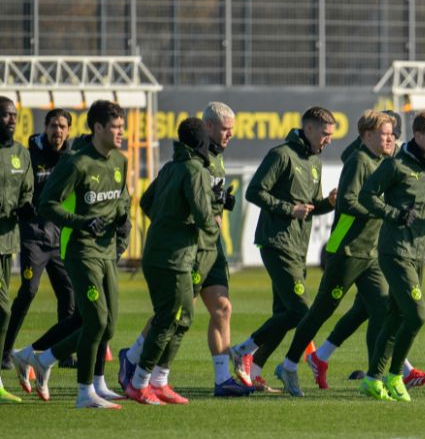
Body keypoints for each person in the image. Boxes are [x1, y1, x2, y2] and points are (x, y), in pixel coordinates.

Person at [118, 102, 248, 397]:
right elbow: (159, 203)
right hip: (191, 248)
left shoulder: (216, 159)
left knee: (222, 308)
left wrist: (221, 203)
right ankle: (135, 357)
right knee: (173, 312)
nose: (230, 135)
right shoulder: (190, 164)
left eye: (232, 130)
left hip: (211, 247)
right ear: (208, 127)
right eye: (225, 129)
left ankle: (222, 379)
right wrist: (176, 226)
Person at [276, 110, 396, 397]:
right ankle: (289, 365)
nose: (389, 138)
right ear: (367, 136)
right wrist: (383, 210)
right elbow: (348, 201)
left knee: (384, 310)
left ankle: (375, 378)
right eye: (384, 133)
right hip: (346, 251)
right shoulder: (359, 161)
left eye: (391, 133)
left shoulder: (383, 162)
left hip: (370, 253)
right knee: (320, 312)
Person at [30, 100, 129, 409]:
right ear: (97, 128)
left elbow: (121, 201)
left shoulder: (120, 161)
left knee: (109, 326)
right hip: (80, 250)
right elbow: (47, 204)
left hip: (107, 251)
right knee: (96, 321)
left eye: (122, 128)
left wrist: (122, 218)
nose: (120, 133)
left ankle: (47, 360)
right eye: (115, 127)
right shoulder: (76, 163)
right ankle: (84, 393)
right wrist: (83, 222)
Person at [229, 107, 337, 387]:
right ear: (309, 129)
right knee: (302, 310)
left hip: (298, 247)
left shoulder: (315, 162)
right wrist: (290, 209)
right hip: (276, 242)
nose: (329, 140)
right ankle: (243, 350)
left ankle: (252, 375)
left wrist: (329, 202)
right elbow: (254, 191)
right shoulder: (281, 155)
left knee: (284, 314)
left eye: (331, 135)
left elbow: (310, 208)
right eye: (325, 134)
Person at [358, 110, 425, 402]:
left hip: (418, 253)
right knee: (417, 315)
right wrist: (394, 213)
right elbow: (366, 196)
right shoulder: (395, 166)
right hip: (394, 251)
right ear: (417, 136)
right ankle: (395, 376)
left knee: (396, 315)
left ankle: (372, 380)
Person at [124, 117, 218, 405]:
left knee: (182, 317)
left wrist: (168, 222)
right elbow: (204, 217)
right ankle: (140, 383)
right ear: (202, 141)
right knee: (169, 319)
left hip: (159, 252)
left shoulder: (171, 167)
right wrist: (214, 220)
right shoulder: (195, 170)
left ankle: (159, 381)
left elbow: (146, 201)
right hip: (174, 257)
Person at [4, 109, 75, 371]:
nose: (58, 131)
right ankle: (6, 351)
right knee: (29, 291)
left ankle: (64, 352)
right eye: (54, 126)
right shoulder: (29, 154)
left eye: (63, 127)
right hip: (32, 234)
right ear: (45, 128)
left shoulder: (70, 156)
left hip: (57, 236)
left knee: (68, 293)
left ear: (68, 131)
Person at [0, 96, 34, 403]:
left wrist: (27, 209)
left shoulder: (21, 154)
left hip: (6, 241)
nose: (12, 119)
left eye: (14, 115)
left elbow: (26, 192)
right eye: (6, 115)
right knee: (3, 308)